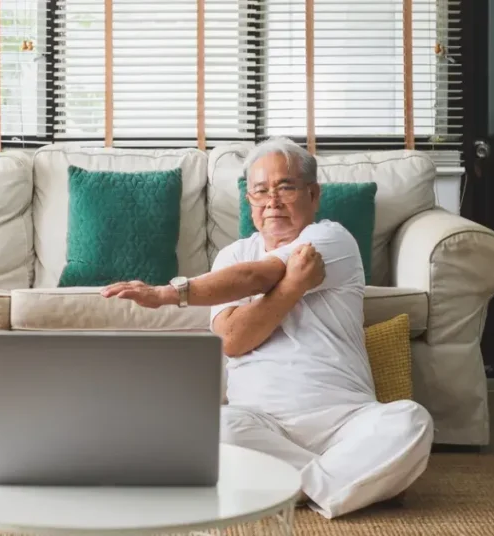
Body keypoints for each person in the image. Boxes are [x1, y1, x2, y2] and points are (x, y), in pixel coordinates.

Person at [102, 137, 434, 519]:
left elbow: (260, 275)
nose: (272, 201)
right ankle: (352, 481)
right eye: (260, 191)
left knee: (410, 421)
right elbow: (232, 339)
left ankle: (288, 486)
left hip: (346, 420)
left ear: (313, 194)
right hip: (260, 424)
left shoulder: (331, 238)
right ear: (249, 202)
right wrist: (294, 286)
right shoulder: (233, 256)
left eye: (285, 187)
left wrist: (166, 294)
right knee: (213, 428)